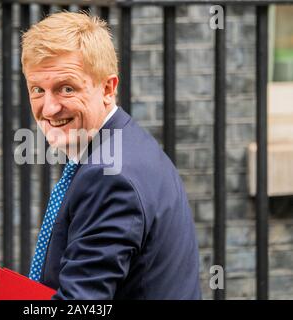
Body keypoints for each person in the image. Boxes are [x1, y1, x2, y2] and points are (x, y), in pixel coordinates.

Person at [20, 11, 201, 300]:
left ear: (108, 88)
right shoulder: (122, 142)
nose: (49, 108)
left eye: (66, 88)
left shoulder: (110, 178)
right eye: (37, 90)